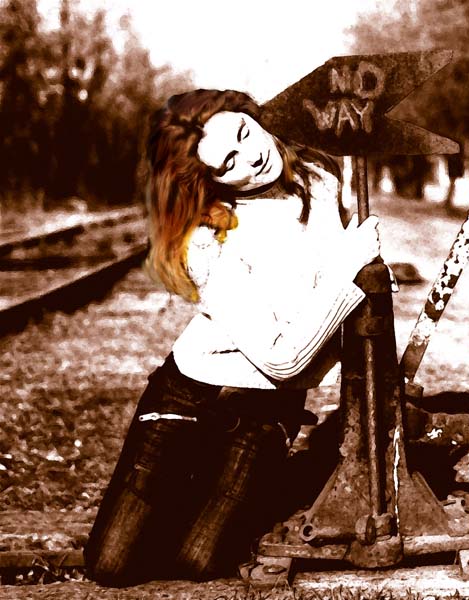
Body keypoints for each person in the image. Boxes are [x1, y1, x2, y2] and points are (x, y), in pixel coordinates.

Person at [83, 89, 381, 586]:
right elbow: (285, 358)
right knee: (110, 565)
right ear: (210, 181)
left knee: (199, 562)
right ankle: (192, 480)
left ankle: (206, 490)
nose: (253, 156)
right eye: (228, 164)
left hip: (266, 411)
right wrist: (350, 266)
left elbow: (320, 310)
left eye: (244, 132)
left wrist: (353, 275)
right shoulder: (204, 238)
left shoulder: (321, 184)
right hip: (189, 396)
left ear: (252, 116)